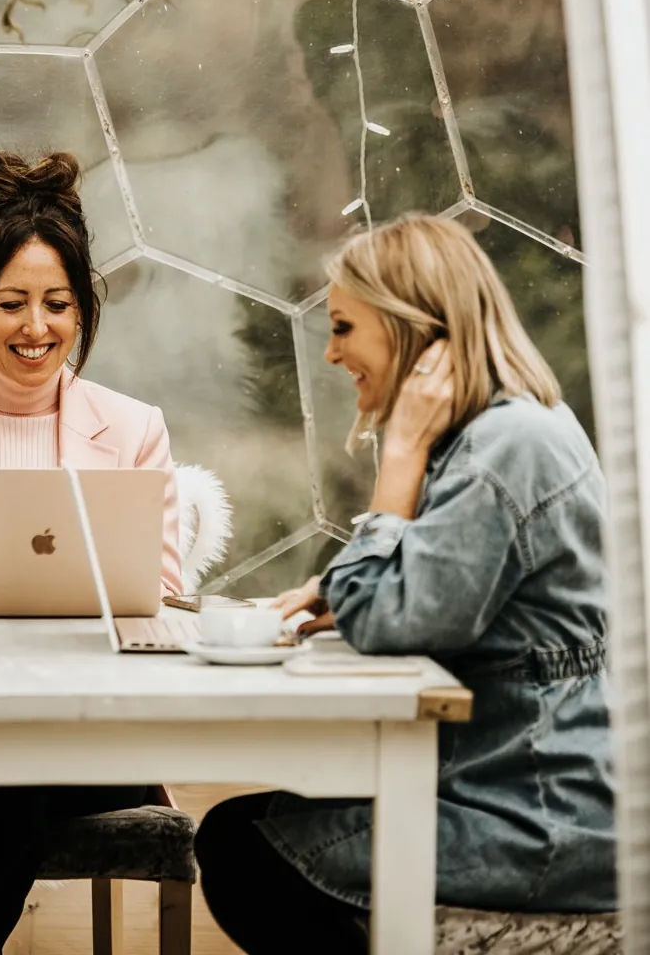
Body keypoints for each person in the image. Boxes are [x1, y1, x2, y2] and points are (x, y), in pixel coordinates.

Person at [195, 213, 616, 954]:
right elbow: (419, 597)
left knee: (244, 853)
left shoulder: (501, 449)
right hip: (514, 781)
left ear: (410, 328)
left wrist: (400, 457)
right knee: (255, 824)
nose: (330, 352)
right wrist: (345, 589)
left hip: (539, 816)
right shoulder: (507, 431)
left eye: (345, 328)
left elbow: (393, 623)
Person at [0, 149, 182, 955]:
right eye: (12, 302)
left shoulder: (133, 427)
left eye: (56, 303)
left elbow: (161, 589)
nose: (36, 327)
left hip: (91, 739)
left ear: (82, 310)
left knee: (8, 776)